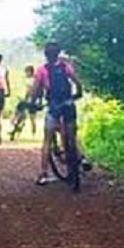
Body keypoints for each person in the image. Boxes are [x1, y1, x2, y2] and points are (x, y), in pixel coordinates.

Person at [31, 42, 83, 185]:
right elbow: (77, 81)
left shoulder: (42, 70)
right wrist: (78, 93)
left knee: (47, 139)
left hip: (54, 105)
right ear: (58, 53)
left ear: (45, 55)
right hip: (68, 103)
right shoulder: (65, 67)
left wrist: (33, 104)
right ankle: (80, 158)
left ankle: (43, 174)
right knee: (72, 134)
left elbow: (36, 90)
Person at [10, 64, 38, 141]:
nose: (26, 73)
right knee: (31, 118)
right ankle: (32, 134)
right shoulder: (35, 80)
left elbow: (29, 91)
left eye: (27, 72)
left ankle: (14, 124)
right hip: (32, 101)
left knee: (21, 114)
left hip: (28, 101)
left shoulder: (31, 80)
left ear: (31, 72)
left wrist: (25, 98)